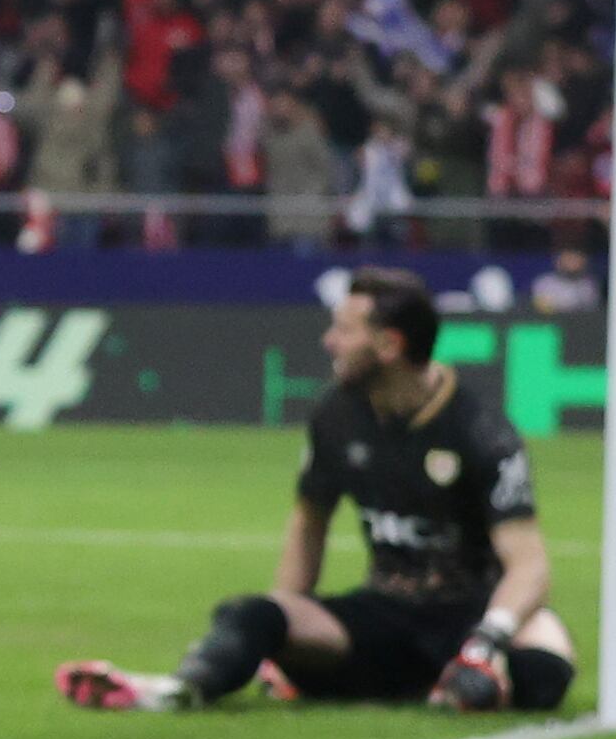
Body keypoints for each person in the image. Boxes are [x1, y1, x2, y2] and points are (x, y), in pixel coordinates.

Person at [57, 267, 575, 715]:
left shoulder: (481, 431)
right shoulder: (337, 415)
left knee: (547, 670)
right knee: (252, 615)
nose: (329, 341)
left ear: (390, 345)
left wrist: (486, 642)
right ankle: (177, 689)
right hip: (383, 614)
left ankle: (464, 678)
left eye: (344, 330)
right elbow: (309, 521)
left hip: (470, 613)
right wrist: (288, 624)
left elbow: (529, 566)